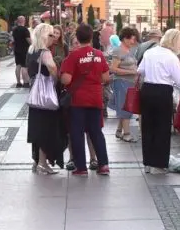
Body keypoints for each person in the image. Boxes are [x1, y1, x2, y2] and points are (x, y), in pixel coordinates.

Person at [137, 29, 180, 174]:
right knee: (162, 127)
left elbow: (140, 70)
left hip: (148, 90)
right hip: (163, 92)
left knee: (148, 127)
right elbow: (179, 81)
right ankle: (160, 163)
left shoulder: (149, 52)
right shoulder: (172, 57)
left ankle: (148, 162)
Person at [60, 24, 110, 176]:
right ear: (91, 37)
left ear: (78, 37)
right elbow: (106, 78)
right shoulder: (99, 54)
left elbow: (66, 80)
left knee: (77, 133)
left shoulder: (73, 56)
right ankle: (103, 165)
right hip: (95, 98)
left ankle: (81, 167)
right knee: (96, 132)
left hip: (78, 100)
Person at [27, 23, 66, 174]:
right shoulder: (45, 52)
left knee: (37, 130)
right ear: (44, 36)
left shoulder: (32, 50)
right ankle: (43, 163)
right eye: (51, 35)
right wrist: (56, 78)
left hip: (35, 96)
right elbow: (52, 68)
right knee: (46, 130)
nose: (54, 38)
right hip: (46, 98)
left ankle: (38, 162)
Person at [108, 27, 140, 142]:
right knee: (125, 107)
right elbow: (113, 68)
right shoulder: (118, 50)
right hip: (121, 82)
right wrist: (131, 72)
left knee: (125, 106)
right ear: (126, 38)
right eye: (132, 39)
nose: (133, 41)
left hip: (128, 83)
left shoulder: (127, 50)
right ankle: (126, 134)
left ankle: (119, 130)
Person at [12, 16, 31, 88]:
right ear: (24, 21)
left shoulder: (14, 30)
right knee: (24, 66)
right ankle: (25, 82)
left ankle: (18, 83)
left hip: (16, 50)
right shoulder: (25, 30)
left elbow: (13, 40)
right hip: (24, 50)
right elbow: (28, 40)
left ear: (17, 21)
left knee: (18, 66)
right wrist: (33, 45)